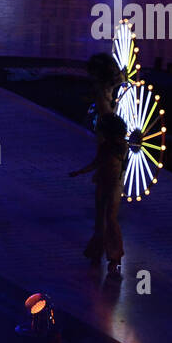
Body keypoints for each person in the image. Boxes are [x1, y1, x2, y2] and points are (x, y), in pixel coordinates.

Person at [69, 113, 128, 280]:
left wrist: (80, 172)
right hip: (104, 184)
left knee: (110, 218)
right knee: (101, 218)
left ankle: (113, 255)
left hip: (113, 186)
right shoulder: (110, 146)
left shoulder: (119, 146)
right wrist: (80, 172)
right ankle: (99, 252)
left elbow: (101, 162)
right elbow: (96, 163)